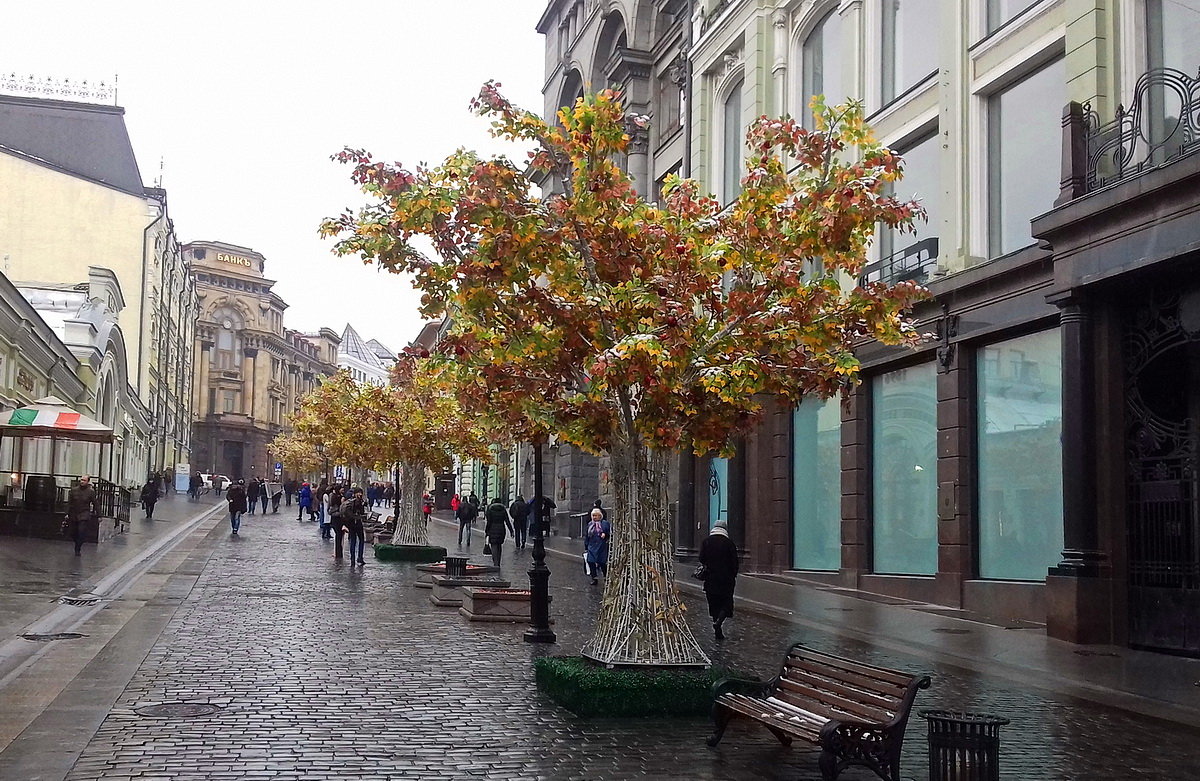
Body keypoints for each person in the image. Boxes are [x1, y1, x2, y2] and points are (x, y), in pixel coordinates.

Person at [698, 519, 739, 640]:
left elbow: (701, 558)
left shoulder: (706, 542)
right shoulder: (729, 543)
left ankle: (717, 625)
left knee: (714, 603)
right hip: (726, 580)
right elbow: (734, 562)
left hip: (711, 578)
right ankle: (719, 623)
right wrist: (733, 574)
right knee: (726, 603)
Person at [66, 475, 98, 556]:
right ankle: (77, 542)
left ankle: (78, 548)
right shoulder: (74, 490)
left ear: (87, 482)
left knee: (81, 531)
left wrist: (99, 515)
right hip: (74, 513)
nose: (82, 482)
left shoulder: (90, 492)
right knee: (73, 532)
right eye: (81, 480)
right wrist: (67, 513)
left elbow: (95, 503)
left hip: (84, 513)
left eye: (84, 480)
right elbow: (69, 503)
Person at [483, 497, 514, 568]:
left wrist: (487, 531)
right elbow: (507, 521)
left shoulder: (490, 510)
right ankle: (498, 562)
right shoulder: (503, 510)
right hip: (501, 529)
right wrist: (511, 531)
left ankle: (495, 563)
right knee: (499, 545)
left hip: (492, 529)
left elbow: (489, 522)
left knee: (494, 545)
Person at [584, 507, 610, 585]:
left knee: (602, 562)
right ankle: (594, 578)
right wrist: (586, 546)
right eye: (593, 515)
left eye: (596, 515)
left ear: (600, 516)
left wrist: (605, 535)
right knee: (590, 561)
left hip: (601, 545)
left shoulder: (605, 523)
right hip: (592, 545)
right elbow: (587, 536)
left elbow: (609, 533)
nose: (595, 517)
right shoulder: (590, 524)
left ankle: (606, 577)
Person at [343, 488, 367, 565]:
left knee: (353, 541)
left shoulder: (349, 501)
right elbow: (361, 512)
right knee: (361, 540)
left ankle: (352, 559)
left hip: (351, 523)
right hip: (357, 523)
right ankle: (360, 557)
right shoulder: (358, 501)